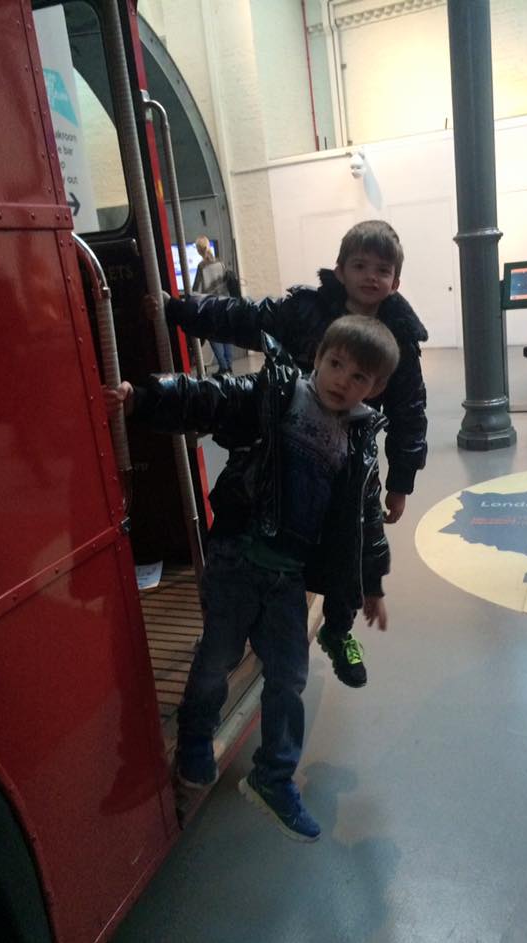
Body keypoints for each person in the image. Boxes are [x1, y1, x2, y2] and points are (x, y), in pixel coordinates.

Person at [104, 315, 399, 842]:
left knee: (289, 676)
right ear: (318, 358)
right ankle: (195, 737)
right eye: (336, 364)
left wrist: (371, 583)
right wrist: (145, 399)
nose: (342, 380)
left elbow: (364, 519)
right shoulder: (278, 394)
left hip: (288, 576)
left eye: (359, 377)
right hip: (238, 558)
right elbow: (212, 398)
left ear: (374, 388)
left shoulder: (358, 438)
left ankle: (274, 776)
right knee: (218, 657)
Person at [164, 220, 427, 688]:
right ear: (340, 269)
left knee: (346, 546)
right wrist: (180, 310)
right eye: (360, 265)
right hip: (278, 446)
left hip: (345, 458)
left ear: (396, 281)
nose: (370, 276)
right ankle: (238, 617)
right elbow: (245, 317)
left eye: (382, 270)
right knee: (257, 528)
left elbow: (409, 410)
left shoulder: (399, 337)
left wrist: (400, 481)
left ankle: (338, 629)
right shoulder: (305, 310)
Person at [192, 235, 235, 374]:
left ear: (199, 250)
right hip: (226, 304)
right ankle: (229, 365)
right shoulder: (220, 262)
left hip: (211, 307)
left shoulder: (201, 267)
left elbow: (196, 289)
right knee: (227, 334)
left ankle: (224, 367)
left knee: (213, 336)